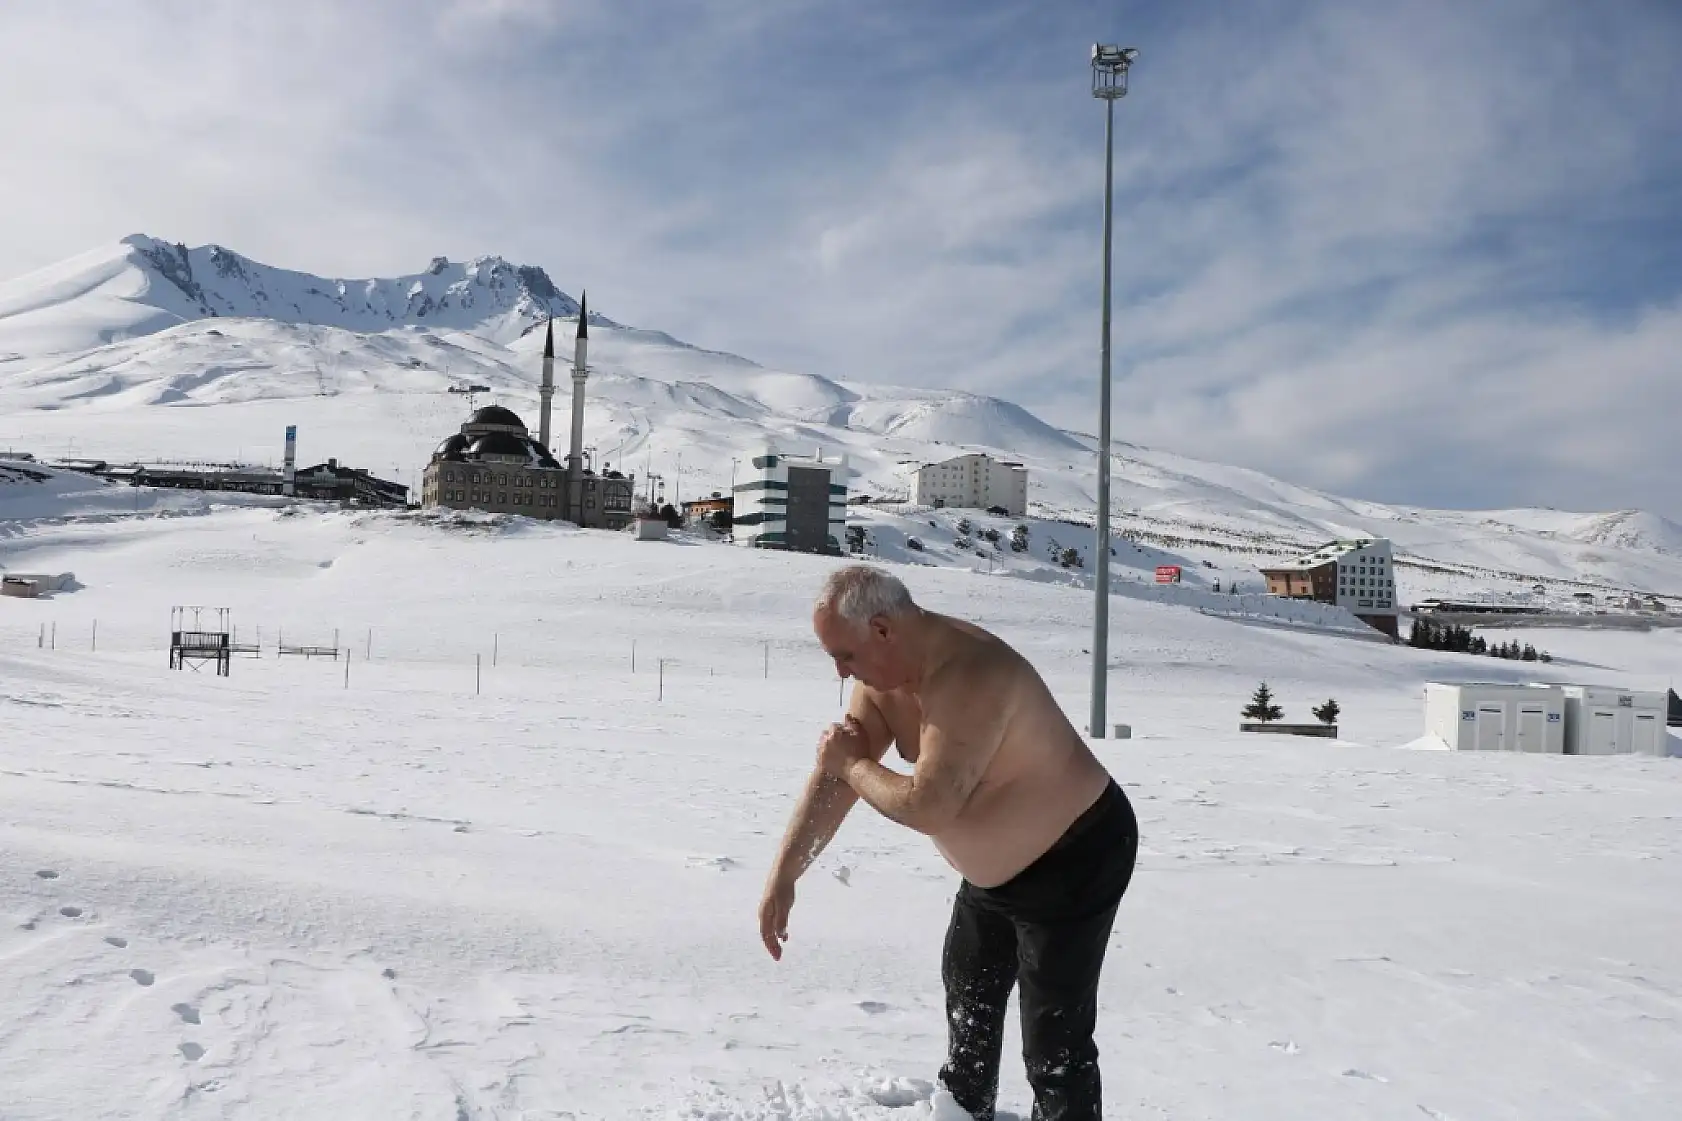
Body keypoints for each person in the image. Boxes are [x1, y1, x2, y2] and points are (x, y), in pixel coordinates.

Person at [759, 565, 1139, 1121]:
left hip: (1076, 855)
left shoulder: (968, 674)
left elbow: (926, 805)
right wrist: (785, 873)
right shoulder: (882, 681)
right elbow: (837, 771)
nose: (842, 673)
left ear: (883, 630)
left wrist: (856, 763)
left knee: (1055, 1044)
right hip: (992, 879)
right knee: (970, 1012)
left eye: (845, 656)